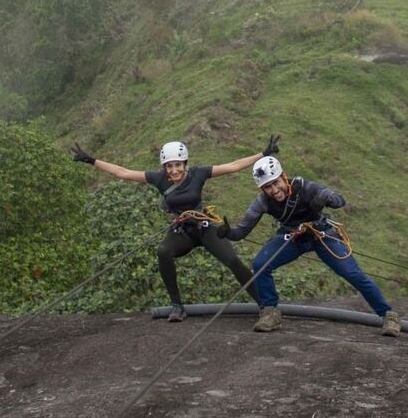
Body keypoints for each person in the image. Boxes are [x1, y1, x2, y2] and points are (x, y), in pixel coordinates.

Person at [70, 136, 280, 322]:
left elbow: (233, 165)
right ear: (164, 167)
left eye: (177, 165)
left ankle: (265, 306)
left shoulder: (198, 173)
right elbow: (123, 173)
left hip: (204, 225)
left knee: (233, 261)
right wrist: (92, 161)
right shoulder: (159, 179)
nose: (174, 170)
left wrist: (262, 154)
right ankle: (177, 306)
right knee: (163, 251)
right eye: (169, 166)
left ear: (185, 163)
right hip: (183, 230)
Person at [221, 155, 400, 336]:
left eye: (276, 183)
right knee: (260, 264)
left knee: (353, 273)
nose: (274, 190)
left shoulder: (305, 187)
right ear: (262, 189)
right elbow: (241, 232)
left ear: (284, 176)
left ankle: (388, 316)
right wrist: (228, 232)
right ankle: (269, 313)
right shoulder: (262, 202)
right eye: (268, 187)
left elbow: (339, 200)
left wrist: (326, 199)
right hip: (292, 236)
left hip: (320, 234)